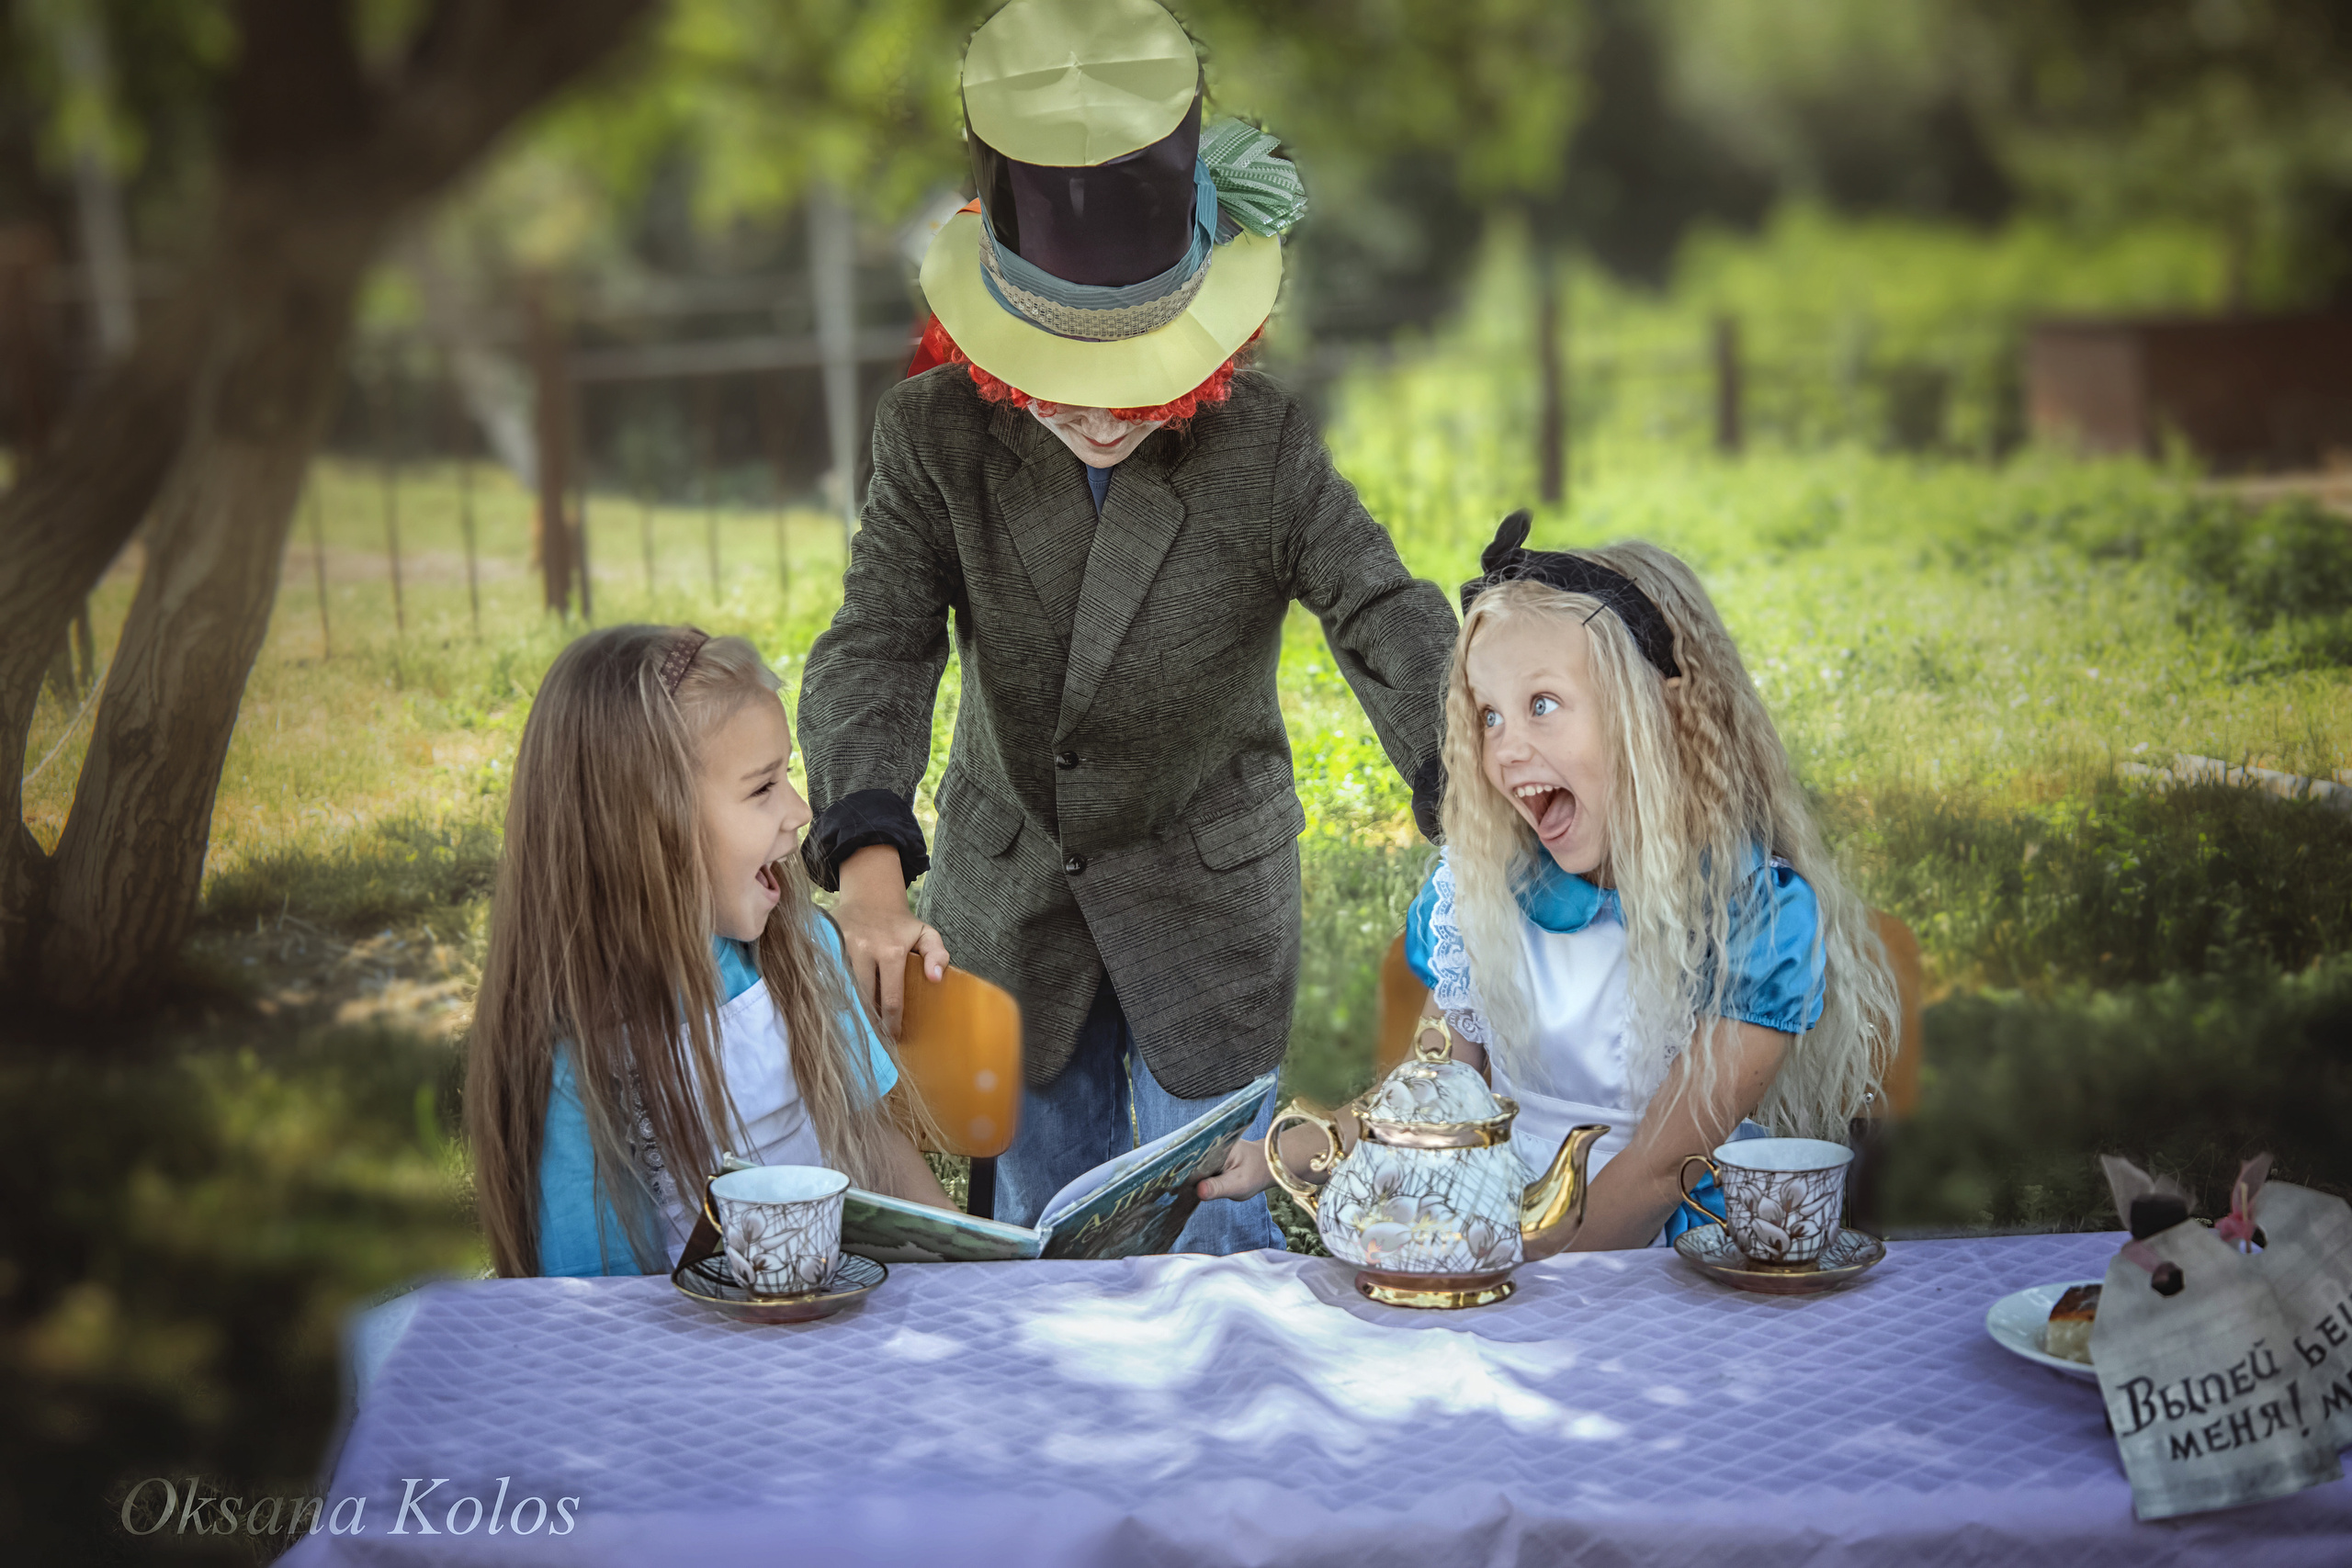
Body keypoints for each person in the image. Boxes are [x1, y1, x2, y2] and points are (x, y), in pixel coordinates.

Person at [797, 0, 1457, 1255]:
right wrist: (870, 878)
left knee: (1217, 1243)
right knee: (1051, 1241)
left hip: (1208, 908)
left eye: (1138, 375)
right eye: (1067, 379)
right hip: (1015, 902)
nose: (1102, 418)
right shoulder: (931, 439)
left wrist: (1468, 790)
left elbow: (1385, 609)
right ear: (991, 342)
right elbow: (878, 643)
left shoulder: (1262, 446)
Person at [1203, 514, 1899, 1251]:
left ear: (1653, 713)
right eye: (1490, 716)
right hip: (1493, 1223)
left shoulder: (1751, 918)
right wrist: (1285, 1151)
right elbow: (1430, 1094)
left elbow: (1659, 1171)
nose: (1506, 749)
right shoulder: (1481, 896)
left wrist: (1498, 1264)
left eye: (1542, 705)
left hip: (1641, 1256)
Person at [467, 626, 951, 1279]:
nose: (800, 810)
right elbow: (594, 1307)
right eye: (762, 788)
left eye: (789, 776)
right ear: (645, 827)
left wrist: (988, 1276)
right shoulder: (579, 1046)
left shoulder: (803, 947)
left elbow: (880, 1152)